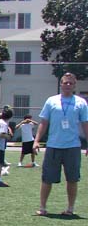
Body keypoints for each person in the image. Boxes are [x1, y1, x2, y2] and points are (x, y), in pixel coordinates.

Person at [34, 72, 88, 216]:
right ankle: (42, 208)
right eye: (65, 82)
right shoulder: (51, 101)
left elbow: (85, 124)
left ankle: (70, 209)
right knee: (47, 178)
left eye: (71, 83)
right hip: (53, 146)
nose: (68, 85)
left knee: (72, 179)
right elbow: (44, 122)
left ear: (74, 85)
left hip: (73, 147)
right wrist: (36, 140)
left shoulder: (81, 103)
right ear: (61, 84)